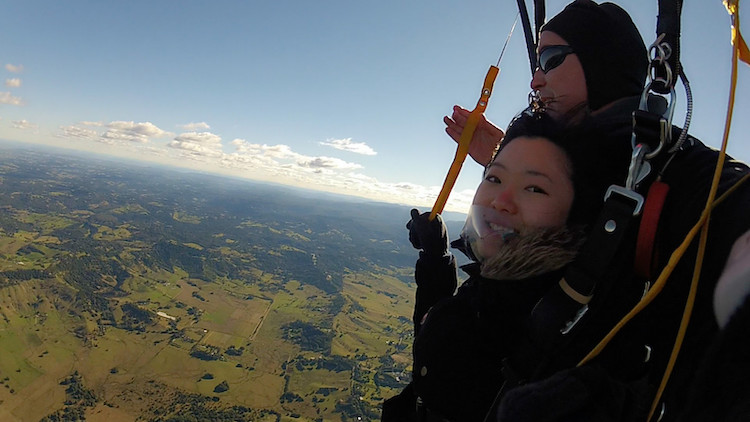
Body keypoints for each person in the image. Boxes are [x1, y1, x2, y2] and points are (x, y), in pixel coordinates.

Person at [437, 1, 750, 420]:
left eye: (549, 58)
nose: (535, 77)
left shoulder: (679, 170)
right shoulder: (556, 145)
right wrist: (504, 163)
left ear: (603, 60)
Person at [381, 110, 633, 422]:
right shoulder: (498, 287)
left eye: (535, 188)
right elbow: (448, 338)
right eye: (494, 177)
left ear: (578, 216)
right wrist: (436, 258)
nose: (501, 200)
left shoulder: (564, 332)